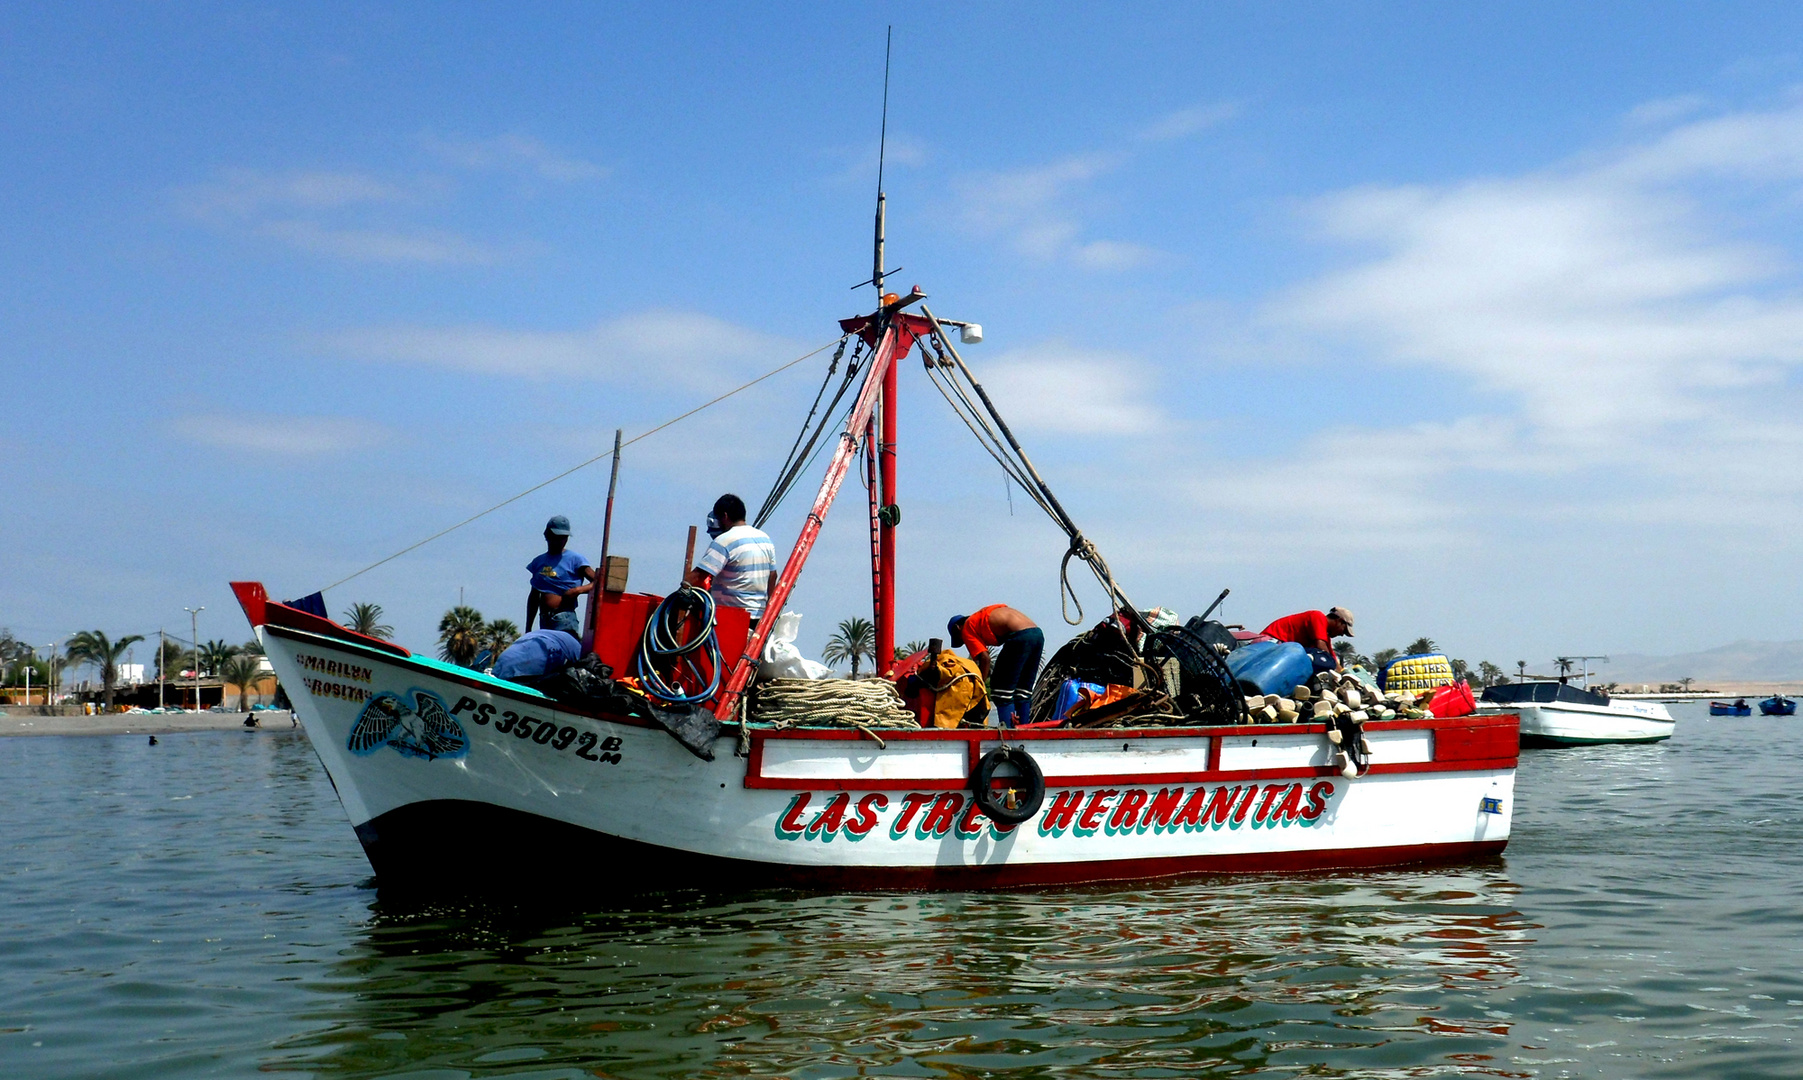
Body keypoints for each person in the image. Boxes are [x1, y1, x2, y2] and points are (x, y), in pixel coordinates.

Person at [685, 494, 777, 627]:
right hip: (758, 619)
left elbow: (699, 575)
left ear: (725, 516)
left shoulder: (724, 540)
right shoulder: (765, 539)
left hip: (731, 617)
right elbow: (772, 576)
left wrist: (683, 589)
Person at [948, 604, 1043, 728]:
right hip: (1037, 635)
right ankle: (1024, 729)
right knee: (1022, 691)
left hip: (1020, 636)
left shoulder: (967, 627)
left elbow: (985, 658)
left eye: (961, 640)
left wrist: (980, 685)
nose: (965, 642)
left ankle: (1008, 731)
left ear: (957, 628)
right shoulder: (984, 615)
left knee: (1000, 690)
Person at [526, 515, 596, 637]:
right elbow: (534, 597)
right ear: (547, 535)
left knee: (564, 653)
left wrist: (578, 590)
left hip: (564, 618)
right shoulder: (538, 562)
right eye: (557, 536)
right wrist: (528, 627)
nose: (561, 540)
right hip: (544, 619)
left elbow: (600, 582)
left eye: (564, 537)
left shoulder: (575, 559)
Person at [1261, 606, 1354, 673]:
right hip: (1270, 643)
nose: (1342, 634)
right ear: (1339, 621)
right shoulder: (1318, 617)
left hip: (1281, 648)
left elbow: (1332, 659)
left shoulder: (1324, 636)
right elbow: (1322, 650)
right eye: (1344, 630)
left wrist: (1343, 674)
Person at [493, 626, 584, 681]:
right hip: (537, 659)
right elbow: (581, 669)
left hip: (503, 661)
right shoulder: (576, 645)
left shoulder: (543, 633)